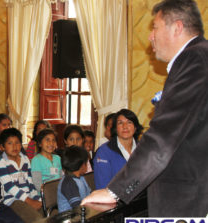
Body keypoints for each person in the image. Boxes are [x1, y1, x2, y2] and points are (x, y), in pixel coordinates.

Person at [81, 0, 208, 216]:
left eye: (155, 27)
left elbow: (163, 137)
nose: (150, 36)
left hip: (188, 202)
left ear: (177, 27)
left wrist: (115, 192)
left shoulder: (193, 59)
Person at [0, 128, 43, 223]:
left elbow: (30, 183)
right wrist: (30, 201)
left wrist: (37, 198)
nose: (14, 146)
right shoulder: (0, 163)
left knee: (48, 212)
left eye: (17, 142)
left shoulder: (25, 159)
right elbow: (9, 187)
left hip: (28, 197)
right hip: (12, 200)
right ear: (2, 147)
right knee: (37, 219)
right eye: (10, 143)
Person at [93, 109, 143, 189]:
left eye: (129, 122)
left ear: (135, 127)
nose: (125, 126)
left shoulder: (144, 149)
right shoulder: (103, 152)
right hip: (114, 199)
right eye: (120, 123)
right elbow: (102, 187)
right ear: (115, 129)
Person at [57, 146, 91, 213]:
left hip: (82, 213)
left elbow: (89, 195)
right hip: (70, 218)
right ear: (82, 165)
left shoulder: (81, 178)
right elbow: (77, 208)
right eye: (86, 162)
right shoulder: (69, 183)